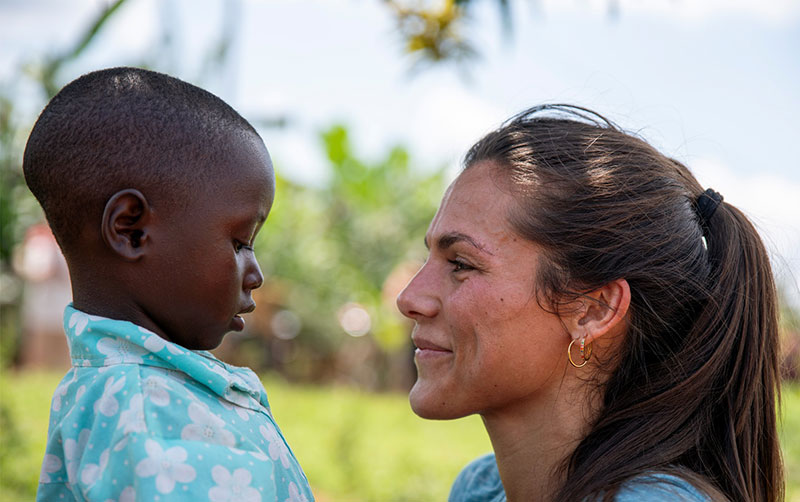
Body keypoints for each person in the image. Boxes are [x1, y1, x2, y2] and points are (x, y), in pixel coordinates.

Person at [396, 105, 783, 502]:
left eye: (461, 264)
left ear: (593, 309)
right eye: (430, 258)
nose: (409, 298)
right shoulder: (479, 490)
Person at [24, 67, 314, 502]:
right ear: (131, 230)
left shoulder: (146, 391)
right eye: (239, 243)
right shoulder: (147, 409)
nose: (256, 275)